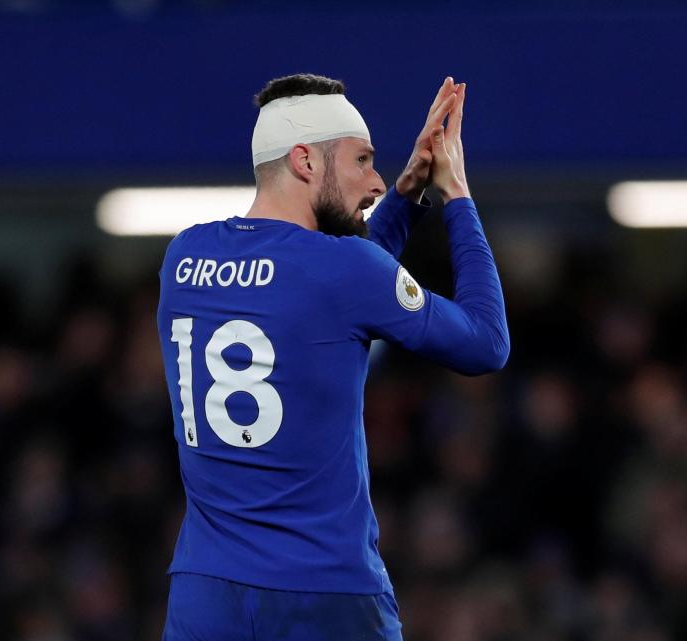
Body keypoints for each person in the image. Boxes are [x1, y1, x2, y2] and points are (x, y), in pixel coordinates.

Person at [156, 74, 509, 640]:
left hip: (206, 594)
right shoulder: (342, 271)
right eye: (362, 160)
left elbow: (329, 284)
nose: (375, 180)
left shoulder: (183, 259)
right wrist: (456, 197)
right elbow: (487, 343)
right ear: (305, 161)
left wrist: (405, 195)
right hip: (326, 593)